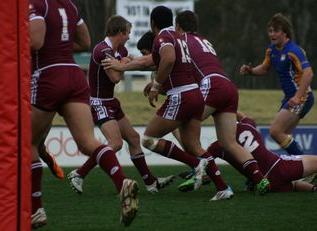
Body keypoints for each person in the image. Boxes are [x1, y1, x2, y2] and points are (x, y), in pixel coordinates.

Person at [103, 6, 234, 201]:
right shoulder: (179, 36)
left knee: (148, 139)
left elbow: (169, 58)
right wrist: (124, 65)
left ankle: (196, 165)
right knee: (193, 145)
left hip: (181, 96)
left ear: (152, 23)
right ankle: (223, 187)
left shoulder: (163, 37)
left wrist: (156, 85)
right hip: (196, 95)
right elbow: (150, 62)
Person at [29, 1, 139, 228]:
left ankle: (36, 208)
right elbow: (84, 42)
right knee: (89, 142)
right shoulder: (69, 4)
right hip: (74, 75)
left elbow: (36, 40)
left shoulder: (35, 3)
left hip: (48, 75)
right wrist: (60, 46)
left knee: (27, 144)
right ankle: (122, 184)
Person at [160, 10, 268, 195]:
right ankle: (260, 179)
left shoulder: (181, 40)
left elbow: (167, 63)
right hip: (227, 86)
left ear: (178, 26)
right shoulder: (204, 40)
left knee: (183, 128)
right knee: (229, 143)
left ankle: (204, 172)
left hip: (211, 85)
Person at [67, 15, 174, 195]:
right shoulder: (102, 50)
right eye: (128, 33)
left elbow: (132, 61)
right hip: (99, 103)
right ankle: (79, 174)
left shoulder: (120, 49)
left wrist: (130, 62)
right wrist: (125, 63)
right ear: (119, 32)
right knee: (115, 143)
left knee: (132, 138)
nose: (129, 37)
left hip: (111, 102)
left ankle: (150, 182)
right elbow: (116, 78)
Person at [239, 13, 314, 155]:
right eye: (270, 31)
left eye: (276, 31)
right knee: (283, 135)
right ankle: (300, 170)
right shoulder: (271, 50)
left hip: (302, 98)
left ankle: (308, 167)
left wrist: (298, 97)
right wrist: (250, 71)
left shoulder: (294, 50)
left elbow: (308, 73)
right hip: (291, 98)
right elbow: (265, 68)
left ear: (285, 32)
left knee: (275, 131)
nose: (272, 34)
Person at [207, 111, 317, 193]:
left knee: (294, 185)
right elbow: (244, 116)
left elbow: (204, 161)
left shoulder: (217, 146)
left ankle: (313, 189)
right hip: (279, 166)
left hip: (264, 181)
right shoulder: (247, 125)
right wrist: (225, 108)